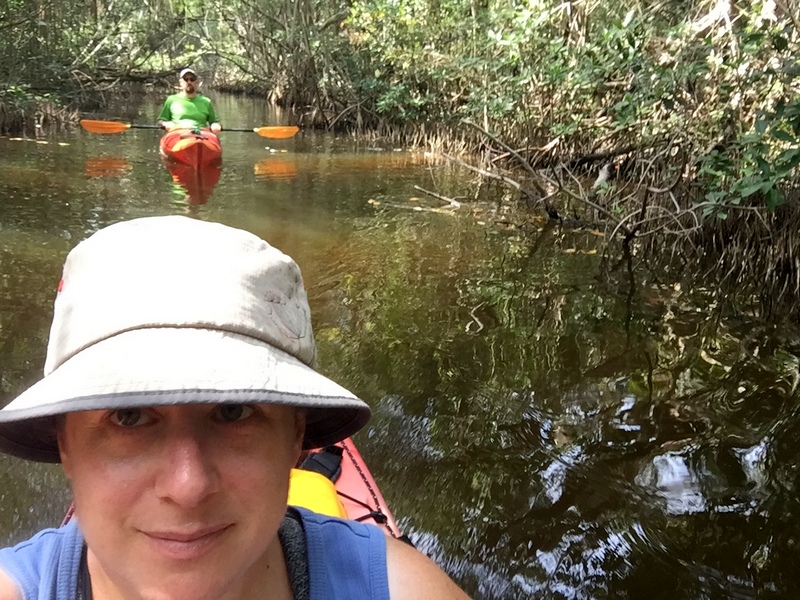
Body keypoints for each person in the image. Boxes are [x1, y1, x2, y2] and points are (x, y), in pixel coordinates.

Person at [0, 216, 470, 600]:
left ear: (295, 436)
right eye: (128, 416)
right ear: (66, 444)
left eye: (233, 411)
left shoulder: (401, 590)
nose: (188, 486)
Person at [157, 68, 222, 134]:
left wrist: (215, 125)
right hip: (178, 134)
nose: (189, 82)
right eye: (186, 79)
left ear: (197, 82)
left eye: (192, 79)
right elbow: (160, 121)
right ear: (180, 82)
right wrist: (165, 123)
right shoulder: (171, 100)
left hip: (201, 134)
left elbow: (215, 121)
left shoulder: (206, 101)